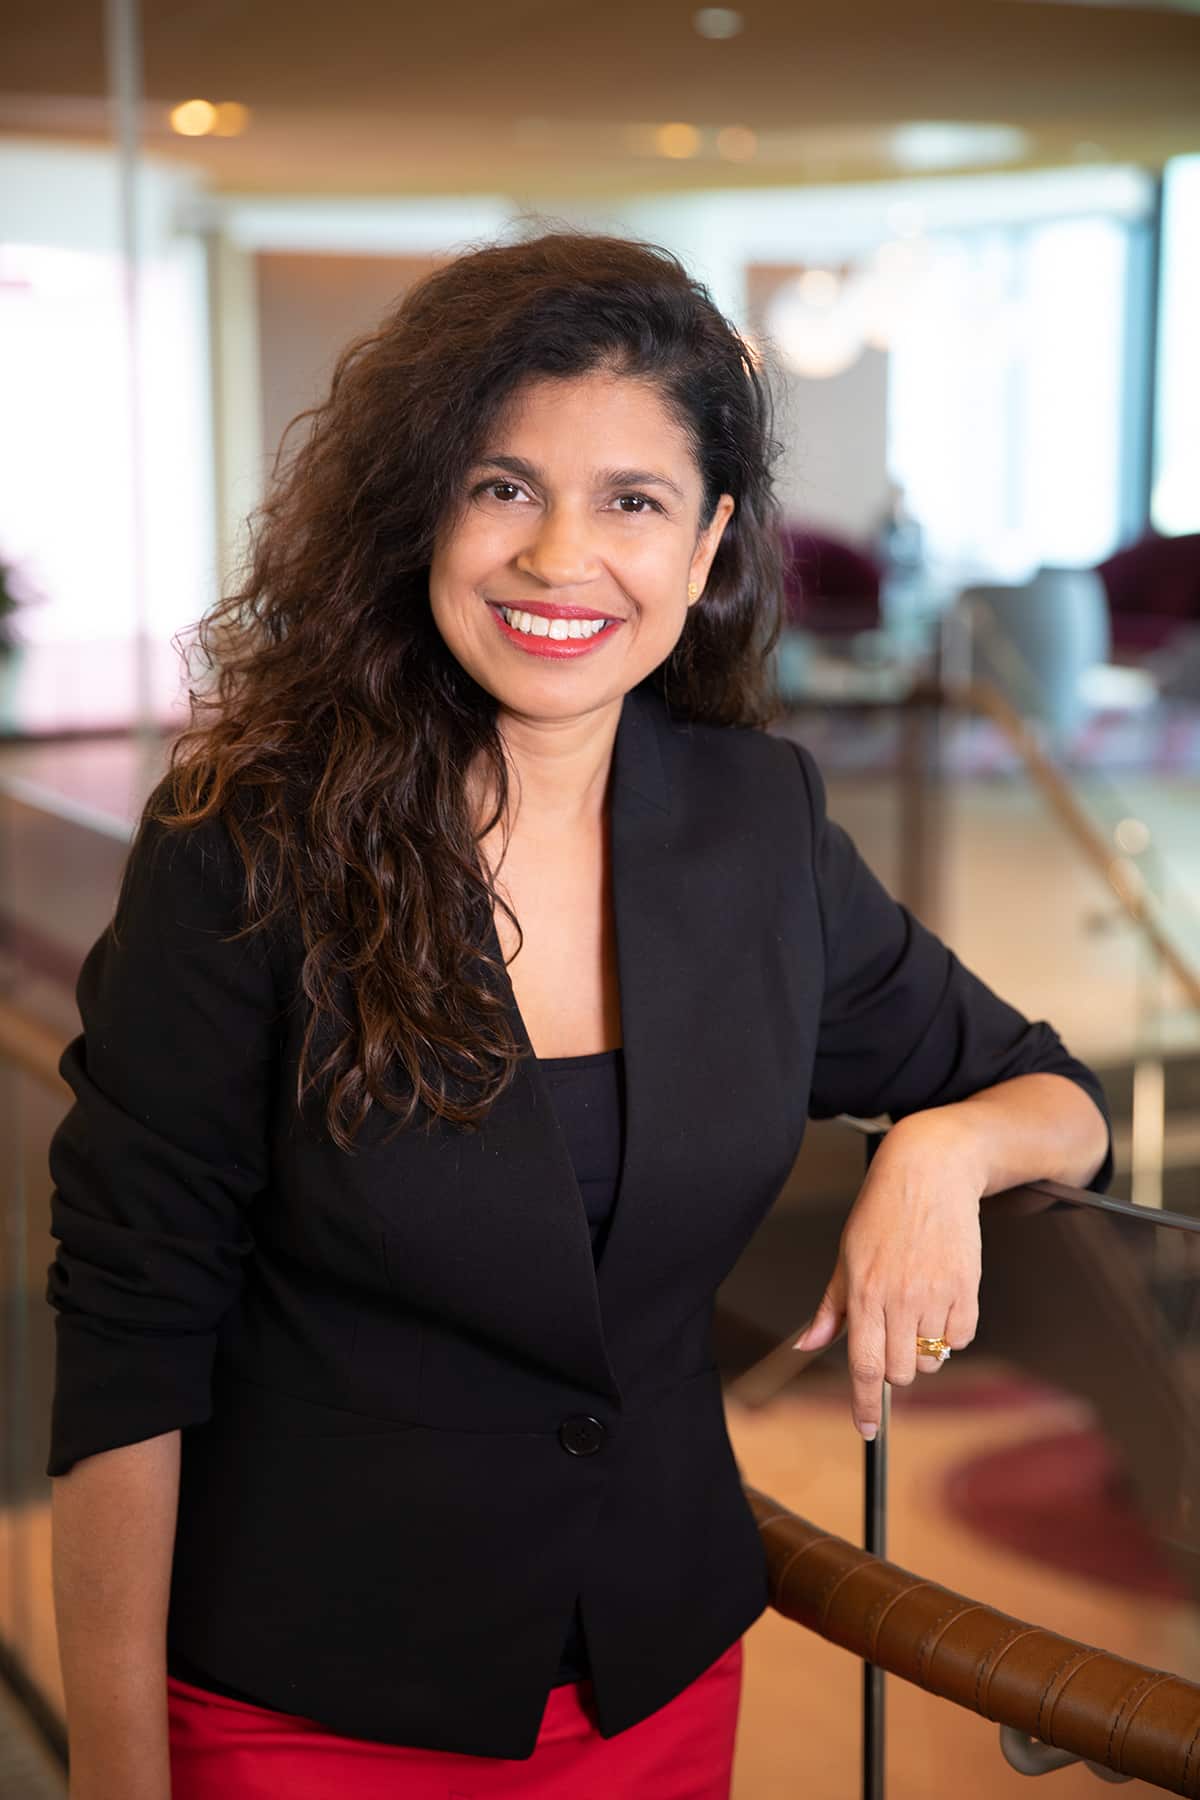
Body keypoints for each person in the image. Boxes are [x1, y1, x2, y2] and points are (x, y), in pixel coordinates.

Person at [45, 230, 1112, 1800]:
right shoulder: (249, 844)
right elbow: (130, 1342)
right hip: (305, 1704)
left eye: (632, 501)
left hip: (652, 1684)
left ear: (710, 540)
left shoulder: (757, 826)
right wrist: (117, 1770)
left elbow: (1055, 1094)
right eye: (503, 487)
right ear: (422, 509)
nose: (560, 557)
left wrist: (940, 1153)